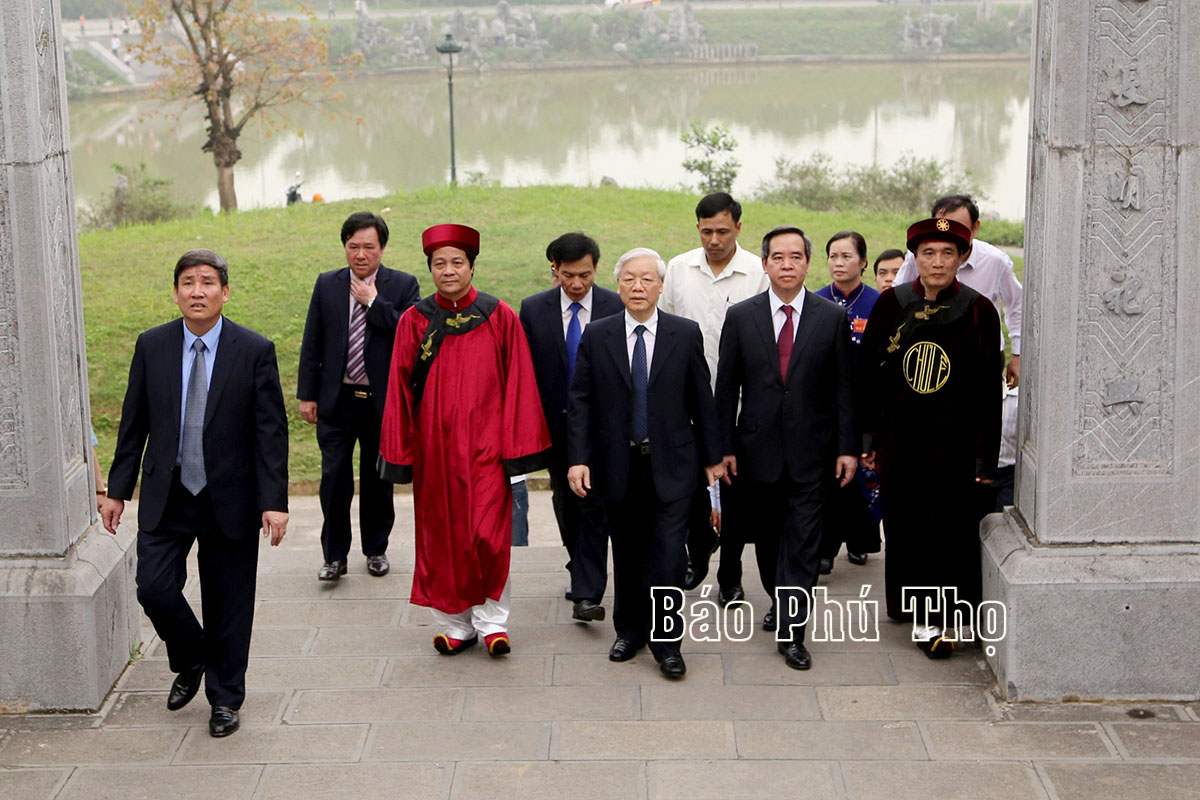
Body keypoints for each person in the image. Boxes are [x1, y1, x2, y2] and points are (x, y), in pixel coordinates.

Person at [100, 249, 289, 738]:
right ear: (177, 291)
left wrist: (274, 501)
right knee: (154, 588)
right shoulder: (153, 345)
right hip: (168, 492)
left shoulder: (253, 349)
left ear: (225, 292)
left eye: (208, 282)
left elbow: (271, 433)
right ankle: (192, 656)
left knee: (229, 602)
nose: (197, 291)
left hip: (231, 497)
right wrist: (117, 490)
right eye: (188, 282)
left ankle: (225, 699)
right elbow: (133, 422)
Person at [378, 224, 550, 657]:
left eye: (457, 262)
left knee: (488, 536)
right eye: (440, 264)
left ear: (473, 266)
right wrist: (401, 450)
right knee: (442, 536)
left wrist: (516, 445)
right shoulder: (414, 321)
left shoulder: (499, 317)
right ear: (430, 269)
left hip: (488, 451)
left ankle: (493, 621)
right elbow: (398, 388)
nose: (449, 271)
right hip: (435, 451)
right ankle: (454, 625)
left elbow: (520, 383)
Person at [567, 248, 723, 680]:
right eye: (629, 280)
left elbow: (701, 400)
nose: (638, 287)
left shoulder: (683, 333)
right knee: (629, 553)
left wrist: (713, 459)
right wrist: (578, 460)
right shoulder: (598, 336)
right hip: (618, 465)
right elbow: (580, 403)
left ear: (660, 286)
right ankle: (629, 631)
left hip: (673, 465)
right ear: (618, 287)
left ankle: (668, 644)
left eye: (646, 280)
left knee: (669, 557)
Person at [859, 217, 1002, 659]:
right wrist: (867, 440)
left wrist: (984, 460)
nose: (937, 262)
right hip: (901, 439)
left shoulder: (979, 310)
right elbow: (868, 377)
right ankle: (908, 606)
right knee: (904, 523)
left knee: (946, 526)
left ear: (961, 258)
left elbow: (987, 392)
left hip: (954, 442)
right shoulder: (891, 305)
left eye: (947, 253)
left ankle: (934, 621)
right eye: (928, 253)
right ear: (914, 258)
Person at [714, 226, 857, 671]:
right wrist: (721, 448)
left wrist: (848, 447)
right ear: (765, 265)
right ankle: (781, 598)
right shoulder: (741, 317)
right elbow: (726, 389)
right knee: (772, 540)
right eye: (779, 257)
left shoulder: (830, 317)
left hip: (813, 450)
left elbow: (844, 390)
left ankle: (793, 633)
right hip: (756, 449)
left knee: (803, 542)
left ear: (807, 264)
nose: (787, 265)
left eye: (796, 257)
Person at [297, 212, 419, 582]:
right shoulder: (327, 284)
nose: (361, 254)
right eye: (354, 246)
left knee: (377, 479)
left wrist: (373, 301)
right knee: (334, 478)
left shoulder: (402, 284)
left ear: (382, 248)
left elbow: (410, 333)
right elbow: (312, 340)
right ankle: (334, 557)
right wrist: (307, 395)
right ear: (345, 247)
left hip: (381, 401)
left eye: (369, 247)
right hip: (337, 398)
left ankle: (376, 550)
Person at [661, 192, 769, 604]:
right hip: (686, 402)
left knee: (736, 494)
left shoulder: (756, 273)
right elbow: (666, 328)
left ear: (739, 228)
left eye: (722, 231)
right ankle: (699, 548)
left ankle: (731, 575)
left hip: (741, 402)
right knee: (687, 488)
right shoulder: (678, 268)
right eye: (706, 232)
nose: (714, 240)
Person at [519, 232, 623, 621]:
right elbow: (525, 373)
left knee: (592, 504)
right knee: (566, 503)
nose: (577, 284)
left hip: (603, 427)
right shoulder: (534, 310)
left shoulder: (615, 306)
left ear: (596, 268)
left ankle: (586, 592)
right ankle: (579, 567)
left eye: (585, 275)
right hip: (555, 427)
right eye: (567, 275)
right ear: (555, 270)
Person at [893, 194, 1022, 386]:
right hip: (929, 354)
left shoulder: (995, 261)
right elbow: (897, 299)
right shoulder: (917, 257)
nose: (949, 235)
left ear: (975, 227)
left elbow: (1017, 306)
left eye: (959, 229)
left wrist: (1018, 354)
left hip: (981, 355)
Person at [814, 231, 881, 574]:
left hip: (865, 404)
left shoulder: (879, 303)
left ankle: (861, 540)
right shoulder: (815, 302)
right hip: (826, 407)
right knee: (827, 478)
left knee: (862, 477)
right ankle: (823, 547)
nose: (838, 263)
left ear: (863, 262)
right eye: (833, 256)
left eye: (846, 256)